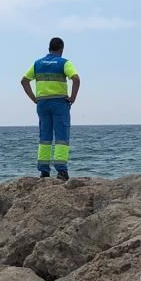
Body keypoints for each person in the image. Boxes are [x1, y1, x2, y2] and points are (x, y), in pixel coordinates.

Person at [20, 37, 81, 180]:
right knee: (61, 137)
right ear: (61, 49)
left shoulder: (37, 64)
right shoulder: (64, 63)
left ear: (49, 48)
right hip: (59, 103)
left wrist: (34, 98)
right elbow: (76, 79)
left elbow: (24, 81)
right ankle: (61, 171)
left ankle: (44, 171)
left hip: (42, 104)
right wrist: (73, 98)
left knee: (45, 137)